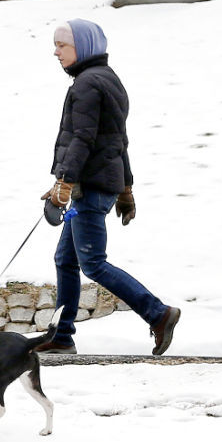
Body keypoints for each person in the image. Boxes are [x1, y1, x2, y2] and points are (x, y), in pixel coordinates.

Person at [38, 19, 180, 356]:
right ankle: (62, 335)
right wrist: (125, 188)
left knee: (92, 263)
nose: (56, 52)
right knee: (65, 259)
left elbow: (82, 138)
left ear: (83, 46)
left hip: (88, 188)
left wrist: (64, 181)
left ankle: (158, 314)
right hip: (98, 186)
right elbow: (118, 142)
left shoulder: (87, 85)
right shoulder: (108, 80)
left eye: (62, 45)